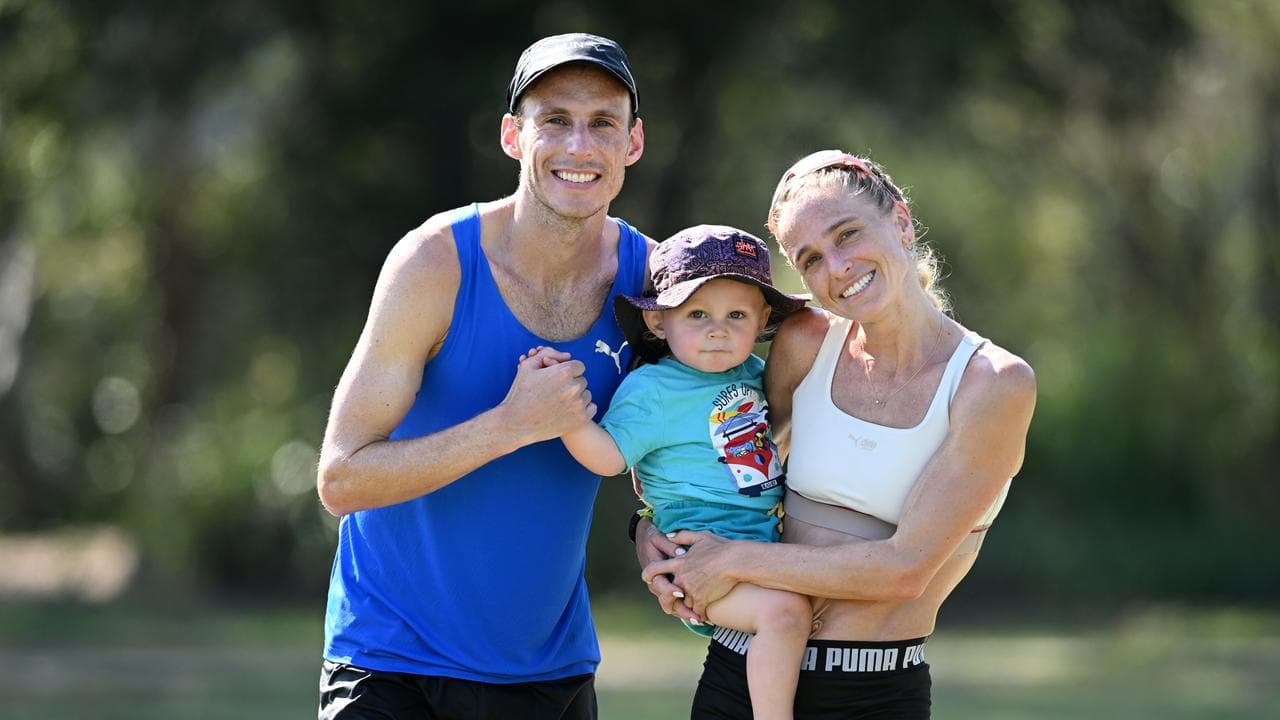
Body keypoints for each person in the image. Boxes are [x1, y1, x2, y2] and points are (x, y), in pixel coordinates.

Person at [313, 33, 655, 719]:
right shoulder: (434, 265)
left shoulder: (651, 280)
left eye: (601, 124)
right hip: (389, 666)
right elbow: (341, 478)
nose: (578, 147)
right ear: (512, 137)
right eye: (554, 120)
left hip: (547, 673)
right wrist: (509, 426)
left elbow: (667, 445)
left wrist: (653, 529)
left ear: (633, 144)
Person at [636, 150, 1038, 718]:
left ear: (900, 220)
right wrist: (652, 529)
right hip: (740, 673)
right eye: (811, 260)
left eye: (847, 234)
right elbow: (721, 459)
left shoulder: (991, 383)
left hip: (871, 694)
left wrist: (729, 560)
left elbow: (904, 569)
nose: (838, 267)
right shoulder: (805, 343)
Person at [524, 225, 811, 720]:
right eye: (697, 314)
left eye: (736, 315)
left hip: (761, 543)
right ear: (658, 323)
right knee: (784, 615)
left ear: (763, 320)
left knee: (801, 608)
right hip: (697, 550)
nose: (717, 329)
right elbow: (609, 456)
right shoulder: (653, 388)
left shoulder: (755, 374)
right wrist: (567, 415)